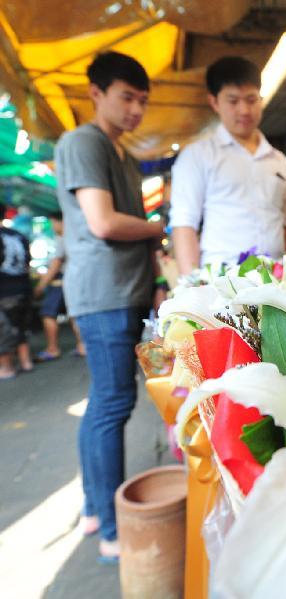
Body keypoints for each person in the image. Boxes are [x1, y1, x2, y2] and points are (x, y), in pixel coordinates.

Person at [54, 51, 164, 562]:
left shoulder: (123, 156)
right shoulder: (82, 142)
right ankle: (111, 528)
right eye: (126, 97)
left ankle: (96, 509)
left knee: (106, 402)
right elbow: (102, 222)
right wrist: (160, 227)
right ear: (95, 94)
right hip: (103, 294)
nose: (136, 109)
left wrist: (158, 275)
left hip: (128, 289)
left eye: (142, 100)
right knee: (113, 403)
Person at [169, 56, 286, 273]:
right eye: (233, 101)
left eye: (251, 99)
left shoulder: (279, 161)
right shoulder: (197, 156)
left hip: (277, 277)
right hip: (223, 278)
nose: (244, 110)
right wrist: (191, 287)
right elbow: (184, 223)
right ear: (214, 102)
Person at [33, 217, 85, 360]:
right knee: (74, 313)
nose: (52, 226)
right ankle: (83, 346)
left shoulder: (62, 238)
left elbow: (56, 264)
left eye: (53, 222)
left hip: (61, 282)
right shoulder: (75, 236)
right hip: (75, 280)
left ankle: (52, 348)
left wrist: (41, 285)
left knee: (48, 313)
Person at [0, 222, 33, 379]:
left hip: (4, 289)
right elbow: (28, 260)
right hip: (22, 286)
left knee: (3, 329)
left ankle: (6, 367)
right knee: (19, 325)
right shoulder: (18, 234)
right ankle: (26, 362)